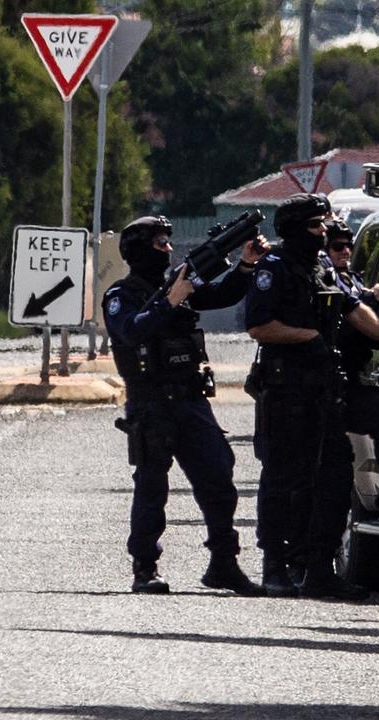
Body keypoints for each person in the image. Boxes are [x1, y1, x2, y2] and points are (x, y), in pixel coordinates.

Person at [245, 193, 379, 600]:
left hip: (324, 393)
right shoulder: (273, 268)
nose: (323, 233)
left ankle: (320, 569)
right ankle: (276, 567)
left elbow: (354, 308)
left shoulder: (321, 268)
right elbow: (260, 327)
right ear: (296, 228)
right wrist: (310, 337)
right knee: (285, 480)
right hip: (286, 393)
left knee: (334, 479)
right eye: (317, 226)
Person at [104, 214, 270, 596]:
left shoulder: (178, 284)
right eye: (159, 243)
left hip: (190, 399)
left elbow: (223, 294)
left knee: (219, 475)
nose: (166, 248)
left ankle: (223, 563)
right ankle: (145, 567)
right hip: (150, 404)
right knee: (151, 487)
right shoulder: (120, 294)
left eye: (167, 241)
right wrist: (169, 302)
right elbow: (131, 330)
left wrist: (245, 266)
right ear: (139, 250)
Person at [324, 219, 379, 529]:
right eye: (337, 245)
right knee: (322, 474)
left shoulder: (351, 280)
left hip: (349, 378)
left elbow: (365, 317)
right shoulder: (320, 278)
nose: (345, 250)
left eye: (349, 244)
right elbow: (345, 318)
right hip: (319, 386)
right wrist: (370, 300)